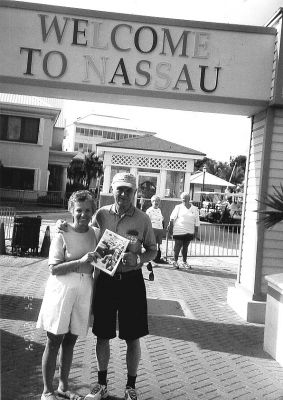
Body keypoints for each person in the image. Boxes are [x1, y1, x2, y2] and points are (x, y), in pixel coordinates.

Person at [84, 172, 157, 400]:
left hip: (131, 283)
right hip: (106, 281)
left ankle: (130, 387)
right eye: (120, 189)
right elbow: (83, 230)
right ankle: (101, 384)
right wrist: (62, 227)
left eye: (128, 190)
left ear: (135, 192)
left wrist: (139, 260)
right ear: (113, 190)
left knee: (132, 337)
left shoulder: (143, 219)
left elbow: (153, 250)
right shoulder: (101, 214)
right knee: (102, 334)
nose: (123, 194)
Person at [37, 190, 99, 400]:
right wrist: (81, 262)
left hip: (85, 288)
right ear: (71, 210)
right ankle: (47, 391)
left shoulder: (95, 233)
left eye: (88, 210)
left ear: (93, 212)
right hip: (62, 288)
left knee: (71, 340)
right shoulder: (61, 232)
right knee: (54, 340)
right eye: (79, 210)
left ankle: (63, 386)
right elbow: (53, 268)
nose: (83, 214)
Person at [167, 192, 200, 269]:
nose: (184, 200)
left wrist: (196, 232)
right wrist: (171, 228)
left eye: (186, 199)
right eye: (183, 199)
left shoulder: (195, 209)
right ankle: (175, 261)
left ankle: (184, 262)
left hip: (189, 231)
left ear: (189, 199)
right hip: (179, 230)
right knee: (177, 245)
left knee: (185, 247)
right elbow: (172, 218)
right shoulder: (178, 207)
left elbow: (197, 221)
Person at [146, 194, 165, 265]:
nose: (156, 202)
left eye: (157, 201)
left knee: (158, 246)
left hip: (159, 229)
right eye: (154, 201)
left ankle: (155, 259)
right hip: (153, 229)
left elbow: (161, 219)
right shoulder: (149, 210)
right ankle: (149, 260)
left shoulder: (159, 210)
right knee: (151, 245)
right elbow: (146, 221)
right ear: (151, 202)